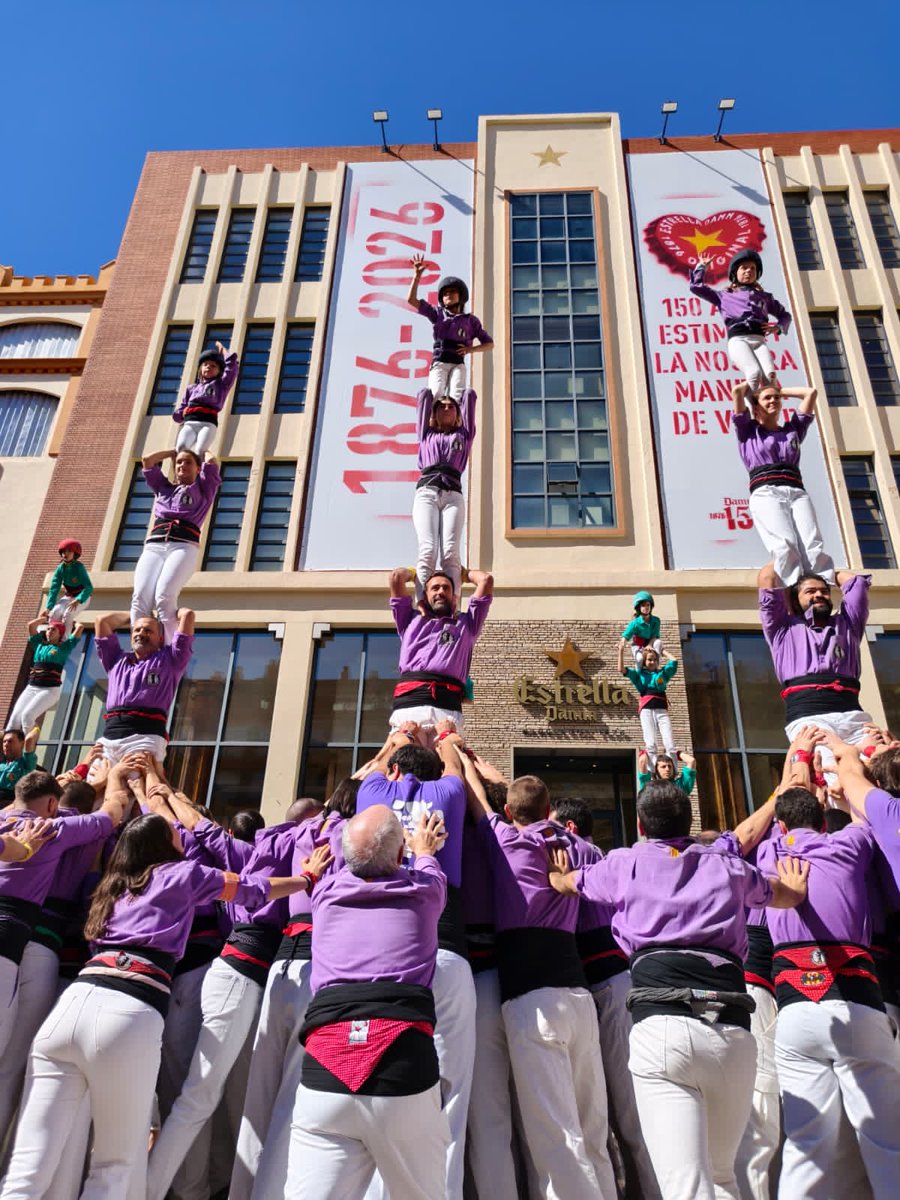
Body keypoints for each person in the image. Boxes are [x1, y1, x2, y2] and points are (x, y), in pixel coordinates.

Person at [0, 799, 314, 1200]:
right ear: (162, 844)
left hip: (72, 1006)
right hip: (127, 1010)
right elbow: (254, 891)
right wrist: (305, 879)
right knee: (114, 1165)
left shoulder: (110, 888)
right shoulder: (181, 874)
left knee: (29, 1166)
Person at [549, 779, 810, 1200]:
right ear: (688, 823)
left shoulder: (624, 862)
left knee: (685, 1185)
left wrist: (558, 874)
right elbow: (779, 892)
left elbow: (569, 884)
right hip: (730, 1027)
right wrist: (795, 890)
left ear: (638, 823)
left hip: (663, 1029)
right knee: (723, 1177)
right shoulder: (725, 865)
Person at [286, 806, 451, 1200]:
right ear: (399, 858)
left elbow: (337, 854)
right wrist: (423, 848)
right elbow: (428, 865)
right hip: (401, 1065)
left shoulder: (324, 894)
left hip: (325, 1071)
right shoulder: (425, 891)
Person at [468, 769, 618, 1200]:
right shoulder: (574, 845)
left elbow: (479, 800)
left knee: (556, 1136)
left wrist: (458, 752)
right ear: (550, 810)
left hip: (532, 1001)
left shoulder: (506, 841)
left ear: (508, 812)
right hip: (577, 995)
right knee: (593, 1128)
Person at [756, 785, 900, 1199]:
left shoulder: (772, 854)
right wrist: (835, 786)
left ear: (781, 826)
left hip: (796, 1012)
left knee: (806, 1146)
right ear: (822, 822)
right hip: (857, 1005)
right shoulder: (849, 846)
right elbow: (863, 816)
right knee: (887, 1142)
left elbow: (762, 830)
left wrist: (796, 769)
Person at [355, 733, 474, 1200]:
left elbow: (373, 769)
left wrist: (394, 740)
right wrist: (446, 739)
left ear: (395, 771)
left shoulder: (372, 797)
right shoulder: (447, 792)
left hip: (385, 961)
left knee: (383, 1090)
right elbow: (453, 768)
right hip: (445, 949)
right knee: (451, 1093)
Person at [232, 784, 354, 1200]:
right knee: (292, 1094)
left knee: (259, 1091)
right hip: (316, 966)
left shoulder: (291, 837)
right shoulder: (345, 835)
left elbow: (266, 843)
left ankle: (241, 1190)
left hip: (281, 966)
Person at [550, 795, 661, 1200]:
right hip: (593, 988)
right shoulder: (592, 854)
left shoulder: (581, 851)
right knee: (605, 1110)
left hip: (610, 986)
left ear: (570, 829)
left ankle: (653, 1191)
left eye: (552, 824)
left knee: (629, 1109)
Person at [0, 766, 132, 1063]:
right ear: (50, 804)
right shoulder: (58, 830)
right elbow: (112, 812)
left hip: (17, 935)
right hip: (40, 943)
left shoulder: (8, 819)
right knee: (15, 1055)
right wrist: (113, 779)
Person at [758, 566, 873, 777]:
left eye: (824, 590)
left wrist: (824, 568)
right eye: (810, 591)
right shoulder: (782, 628)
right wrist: (788, 557)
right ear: (794, 600)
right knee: (831, 775)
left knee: (880, 771)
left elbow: (855, 583)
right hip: (810, 717)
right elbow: (767, 577)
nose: (819, 594)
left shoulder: (847, 624)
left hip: (853, 715)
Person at [732, 380, 835, 586]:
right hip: (766, 491)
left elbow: (810, 393)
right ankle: (794, 592)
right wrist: (754, 383)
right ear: (755, 406)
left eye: (777, 398)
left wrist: (780, 389)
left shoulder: (792, 430)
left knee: (812, 544)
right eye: (767, 398)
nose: (774, 401)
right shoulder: (748, 430)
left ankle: (820, 591)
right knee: (784, 546)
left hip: (796, 491)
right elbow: (737, 391)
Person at [388, 566, 492, 742]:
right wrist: (415, 575)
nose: (441, 591)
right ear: (425, 594)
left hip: (447, 710)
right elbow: (397, 577)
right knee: (405, 765)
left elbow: (486, 581)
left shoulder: (467, 624)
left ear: (454, 595)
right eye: (435, 588)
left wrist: (465, 575)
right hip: (410, 707)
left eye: (446, 588)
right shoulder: (409, 619)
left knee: (449, 766)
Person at [131, 448, 221, 645]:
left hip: (183, 545)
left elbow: (212, 460)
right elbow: (147, 460)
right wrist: (173, 452)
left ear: (198, 469)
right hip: (154, 545)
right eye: (179, 462)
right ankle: (141, 646)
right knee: (140, 597)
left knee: (164, 597)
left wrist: (201, 449)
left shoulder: (203, 489)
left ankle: (170, 649)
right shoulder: (164, 487)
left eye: (188, 462)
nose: (182, 465)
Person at [90, 609, 194, 771]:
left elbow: (187, 615)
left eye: (148, 630)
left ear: (160, 639)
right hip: (109, 737)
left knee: (133, 789)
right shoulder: (115, 659)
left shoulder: (171, 659)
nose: (141, 633)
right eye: (137, 630)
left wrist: (164, 610)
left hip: (145, 736)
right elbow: (101, 621)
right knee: (93, 790)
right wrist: (136, 614)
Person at [690, 249, 791, 394]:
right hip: (739, 339)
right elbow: (696, 287)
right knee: (754, 374)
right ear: (735, 272)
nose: (749, 271)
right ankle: (747, 412)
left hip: (759, 340)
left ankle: (766, 414)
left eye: (753, 268)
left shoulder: (765, 297)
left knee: (770, 377)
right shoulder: (723, 296)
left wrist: (778, 328)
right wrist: (701, 267)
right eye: (744, 268)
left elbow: (785, 315)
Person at [412, 389, 476, 598]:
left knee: (450, 552)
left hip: (453, 495)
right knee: (428, 550)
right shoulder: (426, 433)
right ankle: (422, 602)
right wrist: (438, 393)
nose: (446, 409)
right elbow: (424, 395)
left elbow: (469, 395)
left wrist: (455, 395)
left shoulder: (464, 434)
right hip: (427, 492)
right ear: (434, 413)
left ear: (458, 413)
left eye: (451, 406)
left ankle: (453, 604)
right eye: (441, 406)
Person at [407, 254, 492, 404]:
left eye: (452, 292)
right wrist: (417, 276)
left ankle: (456, 424)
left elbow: (489, 344)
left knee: (456, 396)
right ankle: (431, 423)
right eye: (445, 293)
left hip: (458, 362)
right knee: (436, 393)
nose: (448, 295)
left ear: (461, 296)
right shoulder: (438, 314)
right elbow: (411, 300)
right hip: (440, 361)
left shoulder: (470, 321)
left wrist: (470, 350)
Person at [8, 619, 81, 734]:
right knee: (13, 722)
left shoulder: (64, 647)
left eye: (53, 629)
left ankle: (28, 746)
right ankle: (11, 749)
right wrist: (45, 618)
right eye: (48, 629)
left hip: (49, 690)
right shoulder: (39, 645)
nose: (49, 631)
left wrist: (74, 623)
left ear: (60, 634)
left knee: (27, 716)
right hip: (31, 687)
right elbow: (31, 625)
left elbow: (80, 628)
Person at [172, 341, 239, 455]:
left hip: (207, 423)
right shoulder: (191, 388)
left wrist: (222, 350)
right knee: (181, 447)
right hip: (190, 422)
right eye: (205, 364)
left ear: (219, 371)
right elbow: (182, 408)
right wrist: (180, 414)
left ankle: (201, 471)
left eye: (213, 366)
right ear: (200, 369)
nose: (208, 367)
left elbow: (232, 366)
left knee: (200, 450)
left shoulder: (221, 384)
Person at [618, 643, 678, 763]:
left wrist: (661, 650)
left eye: (655, 660)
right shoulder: (639, 674)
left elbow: (674, 661)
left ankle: (673, 771)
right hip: (646, 709)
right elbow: (621, 669)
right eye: (650, 659)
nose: (652, 662)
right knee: (650, 744)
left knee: (670, 744)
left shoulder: (662, 673)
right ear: (644, 661)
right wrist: (621, 650)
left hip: (661, 710)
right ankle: (653, 772)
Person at [40, 539, 92, 635]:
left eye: (69, 551)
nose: (65, 554)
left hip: (83, 596)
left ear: (75, 554)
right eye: (63, 551)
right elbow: (54, 588)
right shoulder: (60, 568)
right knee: (54, 613)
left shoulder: (79, 567)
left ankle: (64, 640)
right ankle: (52, 637)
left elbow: (89, 587)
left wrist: (78, 600)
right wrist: (48, 608)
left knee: (68, 614)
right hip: (68, 596)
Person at [621, 590, 663, 668]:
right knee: (640, 659)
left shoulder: (656, 621)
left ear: (651, 607)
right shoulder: (635, 623)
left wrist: (650, 645)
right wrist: (622, 643)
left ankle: (655, 667)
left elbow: (654, 636)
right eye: (643, 605)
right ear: (639, 608)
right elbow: (626, 635)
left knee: (658, 642)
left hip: (650, 643)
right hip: (638, 645)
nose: (646, 607)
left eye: (648, 605)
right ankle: (639, 673)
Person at [0, 728, 39, 805]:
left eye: (10, 741)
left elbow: (29, 739)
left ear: (22, 743)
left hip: (10, 802)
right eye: (4, 741)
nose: (6, 744)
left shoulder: (26, 762)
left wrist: (37, 728)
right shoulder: (2, 762)